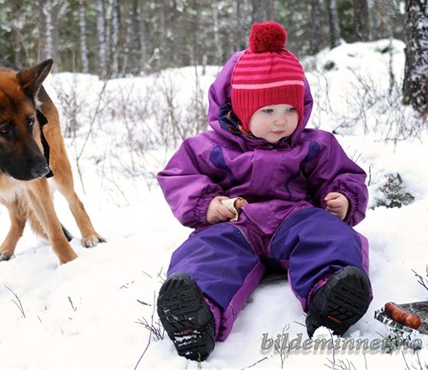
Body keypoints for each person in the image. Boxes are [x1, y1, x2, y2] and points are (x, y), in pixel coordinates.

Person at [156, 21, 372, 362]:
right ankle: (196, 314)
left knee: (329, 235)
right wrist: (209, 204)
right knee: (208, 250)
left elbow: (342, 173)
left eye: (290, 110)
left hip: (296, 218)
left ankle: (330, 295)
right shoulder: (211, 147)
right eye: (267, 110)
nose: (281, 121)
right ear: (241, 110)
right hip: (238, 223)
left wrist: (343, 199)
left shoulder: (314, 144)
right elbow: (179, 175)